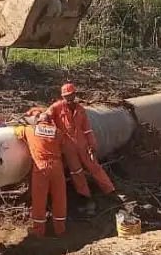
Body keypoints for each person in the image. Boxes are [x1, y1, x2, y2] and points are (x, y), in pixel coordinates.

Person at [48, 82, 117, 213]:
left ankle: (110, 191)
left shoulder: (80, 110)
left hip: (83, 145)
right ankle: (85, 197)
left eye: (71, 95)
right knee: (76, 172)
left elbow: (87, 130)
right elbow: (46, 116)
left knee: (94, 167)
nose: (69, 98)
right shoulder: (56, 107)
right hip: (68, 148)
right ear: (62, 96)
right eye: (66, 96)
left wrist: (92, 146)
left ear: (74, 94)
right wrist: (41, 118)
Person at [13, 111, 69, 236]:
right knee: (59, 197)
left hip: (40, 168)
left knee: (39, 198)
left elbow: (16, 132)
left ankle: (39, 230)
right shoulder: (57, 132)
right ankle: (60, 229)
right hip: (57, 167)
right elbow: (64, 145)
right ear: (50, 121)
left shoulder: (30, 130)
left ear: (38, 121)